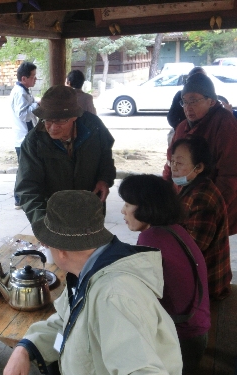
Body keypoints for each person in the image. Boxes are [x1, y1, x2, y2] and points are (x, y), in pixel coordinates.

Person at [3, 190, 182, 375]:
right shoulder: (87, 272)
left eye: (47, 244)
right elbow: (67, 323)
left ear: (62, 251)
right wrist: (26, 348)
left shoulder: (114, 295)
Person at [118, 174, 210, 374]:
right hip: (197, 328)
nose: (122, 211)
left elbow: (139, 297)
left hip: (183, 338)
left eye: (127, 204)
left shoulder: (151, 238)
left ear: (146, 207)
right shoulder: (173, 229)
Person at [15, 85, 115, 224]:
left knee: (92, 245)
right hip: (54, 215)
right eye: (48, 120)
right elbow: (27, 189)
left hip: (91, 208)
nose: (53, 127)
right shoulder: (34, 141)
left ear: (74, 116)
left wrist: (104, 179)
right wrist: (41, 223)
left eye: (61, 121)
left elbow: (106, 155)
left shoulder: (93, 127)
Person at [162, 72, 237, 235]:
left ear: (211, 101)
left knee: (207, 253)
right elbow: (170, 162)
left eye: (194, 101)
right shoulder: (182, 127)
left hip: (211, 203)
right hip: (183, 202)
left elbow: (230, 174)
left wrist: (212, 206)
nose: (188, 107)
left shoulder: (225, 124)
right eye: (185, 102)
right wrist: (165, 193)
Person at [170, 136, 232, 300]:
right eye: (172, 161)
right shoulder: (188, 186)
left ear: (198, 168)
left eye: (180, 163)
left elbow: (192, 247)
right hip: (199, 274)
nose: (173, 168)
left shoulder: (202, 197)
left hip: (208, 283)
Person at [10, 61, 39, 209]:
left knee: (27, 168)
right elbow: (23, 115)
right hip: (22, 138)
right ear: (23, 78)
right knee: (24, 169)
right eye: (33, 76)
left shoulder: (24, 90)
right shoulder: (19, 92)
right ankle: (18, 198)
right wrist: (36, 105)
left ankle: (23, 196)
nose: (35, 79)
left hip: (26, 137)